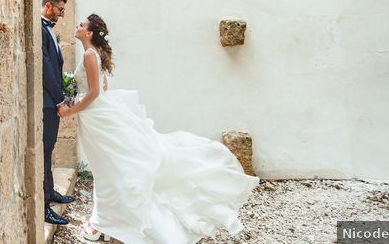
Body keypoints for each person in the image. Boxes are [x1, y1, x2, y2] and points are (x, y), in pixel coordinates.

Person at [58, 14, 259, 243]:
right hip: (98, 117)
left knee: (108, 169)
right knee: (109, 168)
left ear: (90, 33)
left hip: (97, 118)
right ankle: (105, 221)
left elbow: (94, 92)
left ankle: (103, 223)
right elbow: (102, 86)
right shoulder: (94, 54)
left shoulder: (88, 55)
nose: (77, 26)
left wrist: (70, 110)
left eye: (81, 25)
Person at [40, 0, 76, 225]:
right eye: (60, 9)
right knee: (43, 151)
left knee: (50, 147)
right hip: (46, 102)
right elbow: (45, 68)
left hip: (52, 100)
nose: (62, 14)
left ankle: (51, 191)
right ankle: (43, 206)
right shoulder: (40, 30)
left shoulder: (49, 30)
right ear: (48, 6)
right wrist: (59, 98)